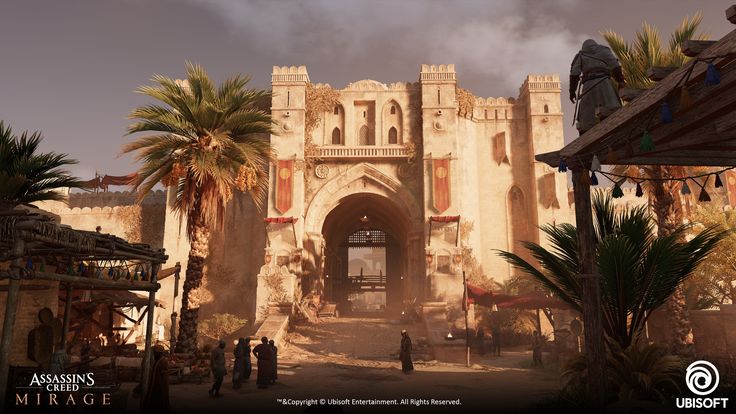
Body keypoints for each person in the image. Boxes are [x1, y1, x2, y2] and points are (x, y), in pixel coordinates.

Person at [569, 39, 626, 134]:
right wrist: (620, 81)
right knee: (614, 113)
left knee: (586, 120)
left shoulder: (580, 55)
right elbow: (615, 65)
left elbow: (574, 74)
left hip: (588, 88)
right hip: (605, 84)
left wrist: (572, 92)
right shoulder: (604, 50)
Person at [141, 345, 170, 413]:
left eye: (155, 353)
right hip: (155, 385)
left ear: (159, 353)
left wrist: (160, 387)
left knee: (161, 403)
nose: (154, 354)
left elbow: (164, 378)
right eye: (154, 353)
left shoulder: (163, 361)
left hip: (160, 386)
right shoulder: (157, 360)